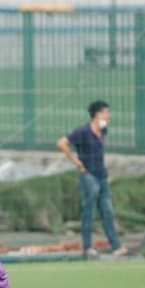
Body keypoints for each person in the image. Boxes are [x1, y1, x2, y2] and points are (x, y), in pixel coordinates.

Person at [56, 100, 128, 259]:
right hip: (89, 177)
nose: (108, 116)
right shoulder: (83, 131)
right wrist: (77, 163)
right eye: (106, 112)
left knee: (107, 212)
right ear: (98, 114)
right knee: (88, 212)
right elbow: (62, 143)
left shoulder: (103, 131)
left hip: (102, 176)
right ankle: (87, 247)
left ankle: (115, 245)